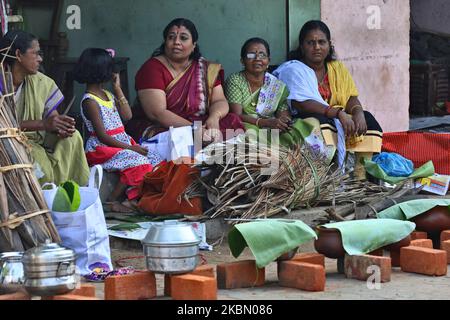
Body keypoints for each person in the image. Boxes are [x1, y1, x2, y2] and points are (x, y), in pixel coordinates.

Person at [273, 20, 383, 178]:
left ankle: (360, 177)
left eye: (321, 42)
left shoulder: (336, 68)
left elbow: (351, 97)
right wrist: (338, 114)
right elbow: (301, 104)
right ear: (302, 47)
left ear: (329, 45)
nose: (316, 47)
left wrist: (358, 113)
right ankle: (326, 177)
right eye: (310, 42)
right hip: (308, 116)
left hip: (338, 116)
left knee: (368, 120)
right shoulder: (294, 69)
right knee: (322, 123)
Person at [126, 18, 244, 146]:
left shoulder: (205, 68)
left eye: (183, 38)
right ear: (165, 42)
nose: (176, 42)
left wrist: (214, 118)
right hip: (164, 125)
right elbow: (157, 113)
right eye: (171, 37)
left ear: (194, 45)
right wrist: (194, 129)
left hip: (199, 122)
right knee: (175, 139)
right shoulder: (151, 68)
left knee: (232, 121)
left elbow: (219, 100)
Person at [73, 48, 158, 212]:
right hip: (102, 148)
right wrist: (132, 148)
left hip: (120, 143)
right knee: (138, 160)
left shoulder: (107, 94)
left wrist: (117, 88)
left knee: (154, 159)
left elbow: (128, 116)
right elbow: (102, 136)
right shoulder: (90, 101)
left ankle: (131, 199)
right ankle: (112, 202)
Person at [0, 30, 89, 185]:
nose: (40, 59)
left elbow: (52, 116)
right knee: (36, 156)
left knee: (73, 137)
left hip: (38, 138)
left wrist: (59, 125)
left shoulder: (42, 82)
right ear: (19, 55)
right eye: (36, 54)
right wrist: (43, 124)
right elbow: (4, 127)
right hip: (7, 142)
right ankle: (48, 191)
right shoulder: (1, 84)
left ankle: (70, 188)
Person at [225, 37, 312, 148]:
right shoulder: (235, 80)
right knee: (248, 132)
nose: (257, 58)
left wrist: (283, 122)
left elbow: (283, 115)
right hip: (248, 126)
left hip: (272, 128)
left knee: (309, 124)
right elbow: (236, 116)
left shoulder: (277, 86)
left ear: (268, 61)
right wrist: (264, 123)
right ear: (242, 61)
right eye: (251, 55)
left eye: (262, 55)